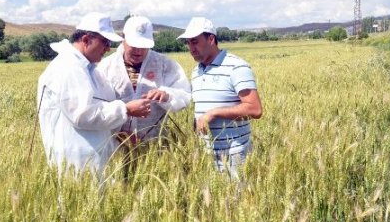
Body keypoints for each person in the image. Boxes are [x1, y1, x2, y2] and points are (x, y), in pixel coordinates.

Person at [37, 12, 151, 175]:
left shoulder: (90, 70)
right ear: (86, 40)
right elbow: (82, 114)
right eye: (105, 42)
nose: (108, 48)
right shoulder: (68, 67)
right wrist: (126, 110)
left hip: (93, 164)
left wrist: (118, 133)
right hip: (75, 165)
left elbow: (103, 106)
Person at [177, 17, 262, 178]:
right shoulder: (197, 71)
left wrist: (214, 113)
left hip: (235, 156)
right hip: (206, 156)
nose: (191, 48)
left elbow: (255, 109)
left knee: (238, 202)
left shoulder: (237, 67)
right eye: (187, 43)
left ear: (211, 39)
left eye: (194, 41)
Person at [98, 15, 191, 143]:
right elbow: (99, 107)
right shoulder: (106, 66)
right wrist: (118, 132)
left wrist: (167, 95)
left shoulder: (164, 64)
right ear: (123, 39)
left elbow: (185, 95)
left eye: (143, 46)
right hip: (115, 145)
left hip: (155, 146)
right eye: (134, 45)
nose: (139, 51)